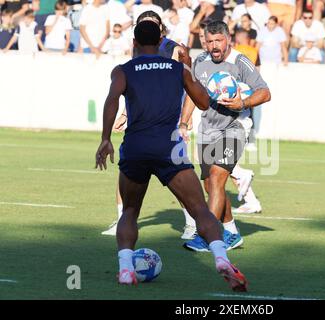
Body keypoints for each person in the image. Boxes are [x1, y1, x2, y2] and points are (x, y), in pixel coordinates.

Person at [95, 20, 248, 291]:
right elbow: (203, 102)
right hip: (170, 147)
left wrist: (106, 139)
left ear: (134, 44)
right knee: (200, 209)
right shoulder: (178, 68)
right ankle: (222, 259)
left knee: (130, 210)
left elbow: (111, 101)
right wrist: (187, 66)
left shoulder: (123, 70)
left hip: (136, 146)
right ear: (160, 43)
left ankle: (125, 269)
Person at [102, 10, 195, 238]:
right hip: (142, 121)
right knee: (127, 171)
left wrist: (184, 118)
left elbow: (183, 82)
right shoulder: (139, 50)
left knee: (179, 177)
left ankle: (191, 221)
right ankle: (121, 218)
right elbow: (137, 87)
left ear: (160, 28)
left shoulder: (173, 48)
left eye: (150, 25)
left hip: (167, 122)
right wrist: (126, 112)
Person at [179, 20, 271, 251]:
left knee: (219, 176)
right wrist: (183, 121)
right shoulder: (200, 61)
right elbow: (193, 93)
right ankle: (231, 232)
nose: (214, 46)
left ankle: (207, 235)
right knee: (211, 186)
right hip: (208, 128)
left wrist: (243, 102)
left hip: (235, 127)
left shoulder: (240, 62)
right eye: (209, 41)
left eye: (218, 40)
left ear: (228, 39)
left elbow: (265, 92)